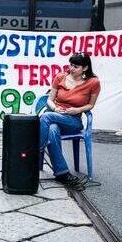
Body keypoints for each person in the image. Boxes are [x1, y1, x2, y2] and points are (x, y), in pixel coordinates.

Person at [39, 52, 100, 188]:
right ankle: (62, 173)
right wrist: (55, 108)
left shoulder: (93, 82)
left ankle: (36, 151)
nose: (72, 68)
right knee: (52, 129)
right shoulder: (60, 77)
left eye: (76, 66)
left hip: (72, 120)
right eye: (71, 65)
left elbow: (91, 105)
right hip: (56, 115)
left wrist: (77, 110)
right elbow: (49, 99)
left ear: (85, 68)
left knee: (45, 116)